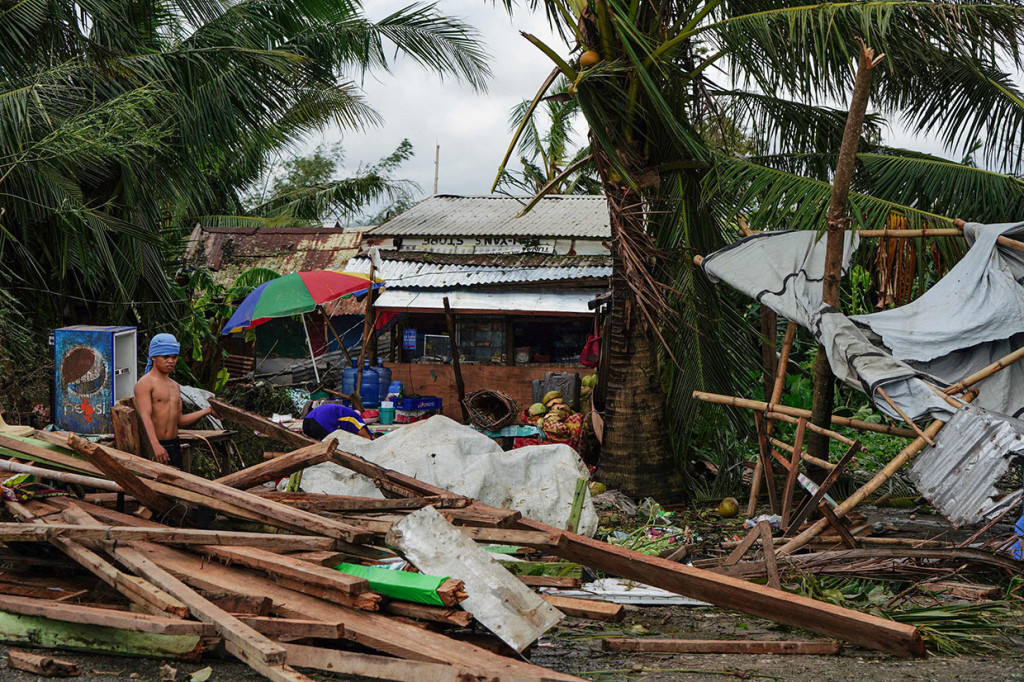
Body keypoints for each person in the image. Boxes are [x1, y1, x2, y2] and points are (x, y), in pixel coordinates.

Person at [134, 333, 214, 469]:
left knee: (178, 486)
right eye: (165, 357)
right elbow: (144, 416)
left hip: (174, 445)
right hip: (154, 446)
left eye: (174, 357)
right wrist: (155, 445)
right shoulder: (145, 383)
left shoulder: (175, 386)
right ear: (154, 357)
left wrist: (208, 411)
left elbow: (179, 420)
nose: (170, 361)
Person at [303, 402, 373, 441]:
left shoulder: (348, 414)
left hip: (307, 420)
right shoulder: (357, 421)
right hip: (320, 422)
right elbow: (367, 439)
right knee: (332, 445)